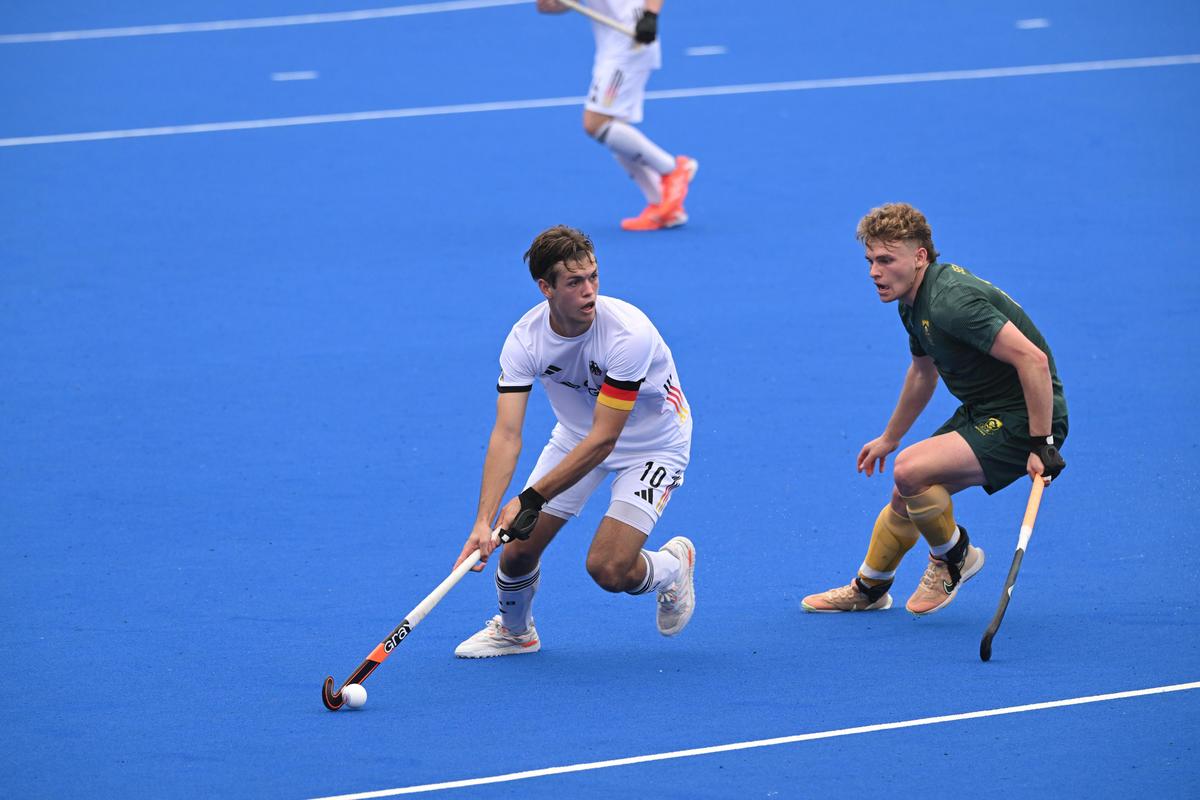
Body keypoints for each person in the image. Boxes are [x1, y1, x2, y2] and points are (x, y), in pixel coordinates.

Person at [802, 203, 1068, 616]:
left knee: (911, 471)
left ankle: (956, 555)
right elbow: (922, 373)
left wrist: (1042, 442)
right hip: (987, 408)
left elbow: (1033, 361)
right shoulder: (912, 300)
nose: (875, 272)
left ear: (920, 257)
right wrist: (890, 437)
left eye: (887, 260)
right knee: (905, 491)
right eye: (871, 260)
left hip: (1025, 416)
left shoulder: (950, 303)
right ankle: (870, 588)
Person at [453, 224, 696, 657]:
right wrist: (483, 520)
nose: (589, 291)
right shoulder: (524, 340)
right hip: (575, 436)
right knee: (516, 553)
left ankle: (671, 567)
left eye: (594, 277)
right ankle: (516, 633)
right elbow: (507, 435)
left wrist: (527, 499)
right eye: (574, 282)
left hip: (653, 443)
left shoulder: (627, 334)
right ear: (545, 287)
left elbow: (605, 439)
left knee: (608, 568)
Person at [535, 0, 697, 231]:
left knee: (595, 123)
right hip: (611, 47)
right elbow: (551, 6)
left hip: (632, 42)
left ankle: (673, 169)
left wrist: (650, 15)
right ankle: (662, 206)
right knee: (615, 130)